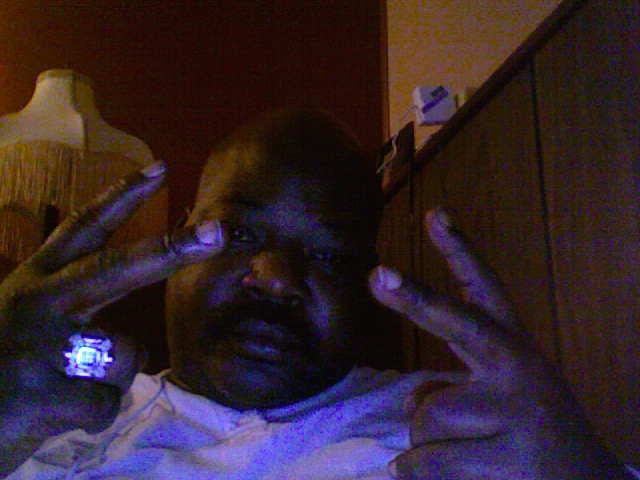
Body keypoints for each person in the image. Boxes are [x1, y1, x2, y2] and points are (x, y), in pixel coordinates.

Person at [0, 108, 634, 479]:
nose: (277, 278)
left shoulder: (467, 432)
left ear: (367, 282)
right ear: (179, 236)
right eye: (239, 232)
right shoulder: (47, 418)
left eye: (328, 255)